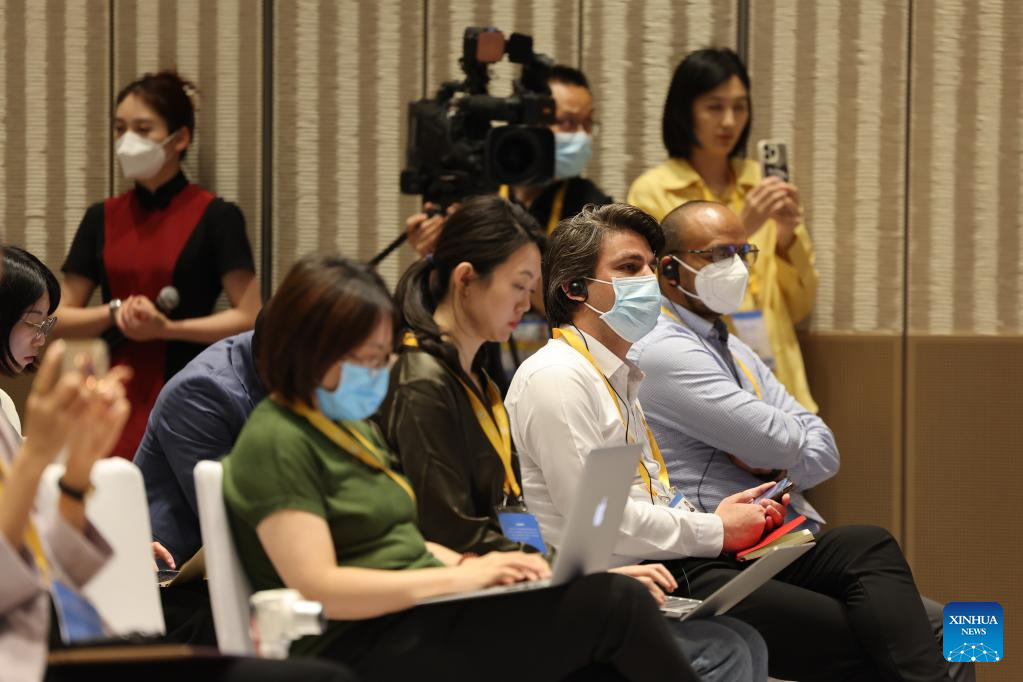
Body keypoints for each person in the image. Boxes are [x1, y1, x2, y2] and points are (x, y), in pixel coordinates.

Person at [505, 203, 954, 681]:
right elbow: (601, 520)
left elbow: (823, 447)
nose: (648, 281)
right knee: (932, 639)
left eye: (649, 267)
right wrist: (717, 527)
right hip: (664, 563)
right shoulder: (573, 374)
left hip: (705, 540)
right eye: (630, 268)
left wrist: (719, 516)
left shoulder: (641, 366)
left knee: (881, 554)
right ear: (575, 289)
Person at [223, 254, 703, 682]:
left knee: (604, 622)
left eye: (383, 356)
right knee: (615, 608)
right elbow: (320, 587)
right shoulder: (277, 440)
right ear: (306, 349)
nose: (378, 371)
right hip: (359, 639)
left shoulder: (349, 429)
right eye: (365, 358)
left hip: (419, 610)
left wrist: (497, 568)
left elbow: (403, 543)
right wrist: (463, 578)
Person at [382, 195, 766, 681]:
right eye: (519, 285)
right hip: (466, 597)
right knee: (719, 648)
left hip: (524, 570)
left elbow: (514, 515)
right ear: (465, 280)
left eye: (531, 288)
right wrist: (570, 577)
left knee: (741, 639)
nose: (526, 304)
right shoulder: (433, 380)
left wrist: (571, 572)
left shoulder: (476, 375)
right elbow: (452, 530)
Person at [630, 200, 974, 682]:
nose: (736, 267)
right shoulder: (663, 348)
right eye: (719, 254)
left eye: (743, 252)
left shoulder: (727, 341)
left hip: (780, 540)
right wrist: (780, 450)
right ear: (669, 269)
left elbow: (823, 449)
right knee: (908, 641)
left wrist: (778, 456)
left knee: (965, 630)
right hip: (715, 552)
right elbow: (776, 439)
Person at [56, 70, 260, 459]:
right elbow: (56, 319)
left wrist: (167, 329)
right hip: (107, 394)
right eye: (120, 129)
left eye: (143, 129)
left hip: (192, 391)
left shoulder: (218, 216)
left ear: (179, 138)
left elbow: (250, 316)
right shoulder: (100, 217)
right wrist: (115, 311)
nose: (127, 140)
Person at [627, 48, 819, 413]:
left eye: (739, 107)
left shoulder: (762, 185)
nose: (729, 121)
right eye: (714, 107)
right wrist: (741, 230)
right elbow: (653, 300)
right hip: (701, 380)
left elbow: (799, 307)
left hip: (782, 383)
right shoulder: (653, 191)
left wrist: (786, 238)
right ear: (685, 111)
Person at [135, 319, 265, 568]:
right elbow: (236, 514)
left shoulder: (289, 354)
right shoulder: (201, 391)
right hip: (169, 568)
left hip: (237, 555)